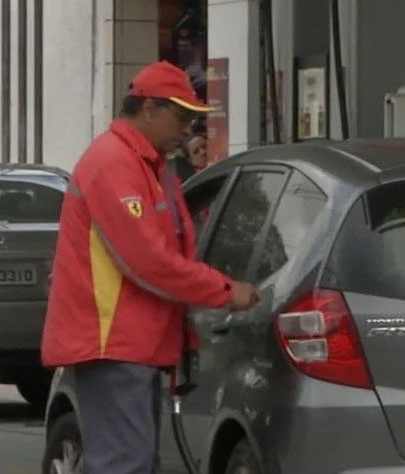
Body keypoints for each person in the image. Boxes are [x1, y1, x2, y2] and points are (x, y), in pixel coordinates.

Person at [41, 60, 260, 474]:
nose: (187, 129)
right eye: (181, 116)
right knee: (127, 464)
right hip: (114, 344)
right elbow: (150, 262)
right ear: (148, 110)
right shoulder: (115, 163)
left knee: (131, 462)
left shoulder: (145, 163)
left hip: (131, 344)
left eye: (193, 118)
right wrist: (227, 291)